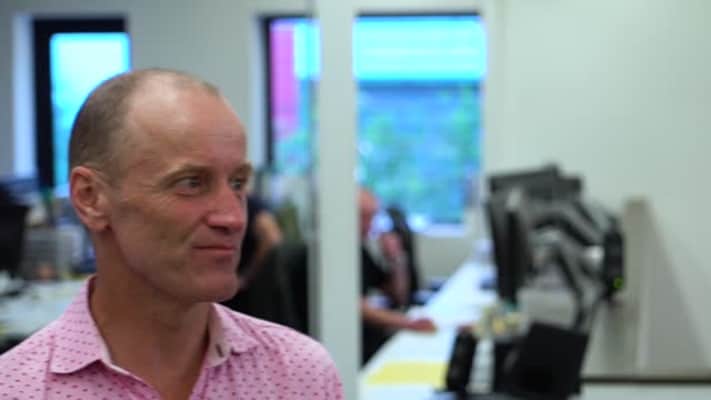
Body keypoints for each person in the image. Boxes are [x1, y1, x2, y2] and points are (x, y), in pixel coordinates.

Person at [0, 69, 343, 399]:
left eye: (237, 183)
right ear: (90, 198)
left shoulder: (298, 376)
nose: (233, 218)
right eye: (191, 183)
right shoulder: (17, 390)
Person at [359, 188, 436, 364]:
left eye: (372, 217)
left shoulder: (360, 249)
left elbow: (397, 295)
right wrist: (407, 322)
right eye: (363, 216)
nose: (369, 225)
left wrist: (396, 259)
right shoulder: (333, 254)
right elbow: (356, 306)